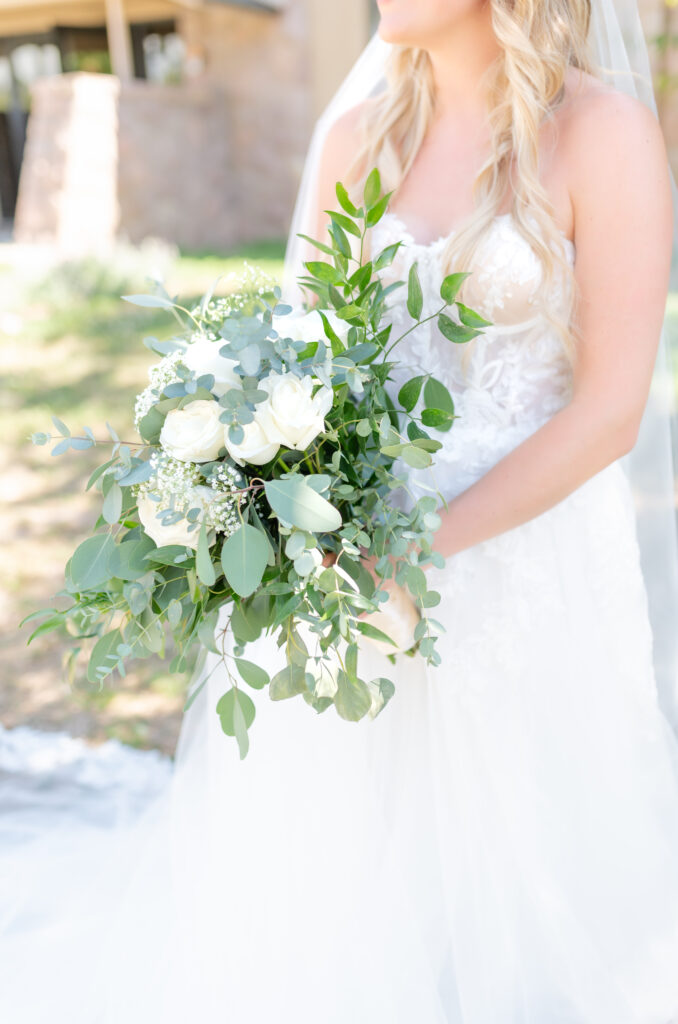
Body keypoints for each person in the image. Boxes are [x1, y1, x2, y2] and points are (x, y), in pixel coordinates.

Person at [2, 2, 678, 1021]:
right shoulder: (355, 140)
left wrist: (420, 556)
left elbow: (611, 409)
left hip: (528, 572)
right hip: (350, 576)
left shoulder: (603, 134)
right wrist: (279, 511)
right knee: (345, 894)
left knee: (539, 907)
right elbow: (303, 370)